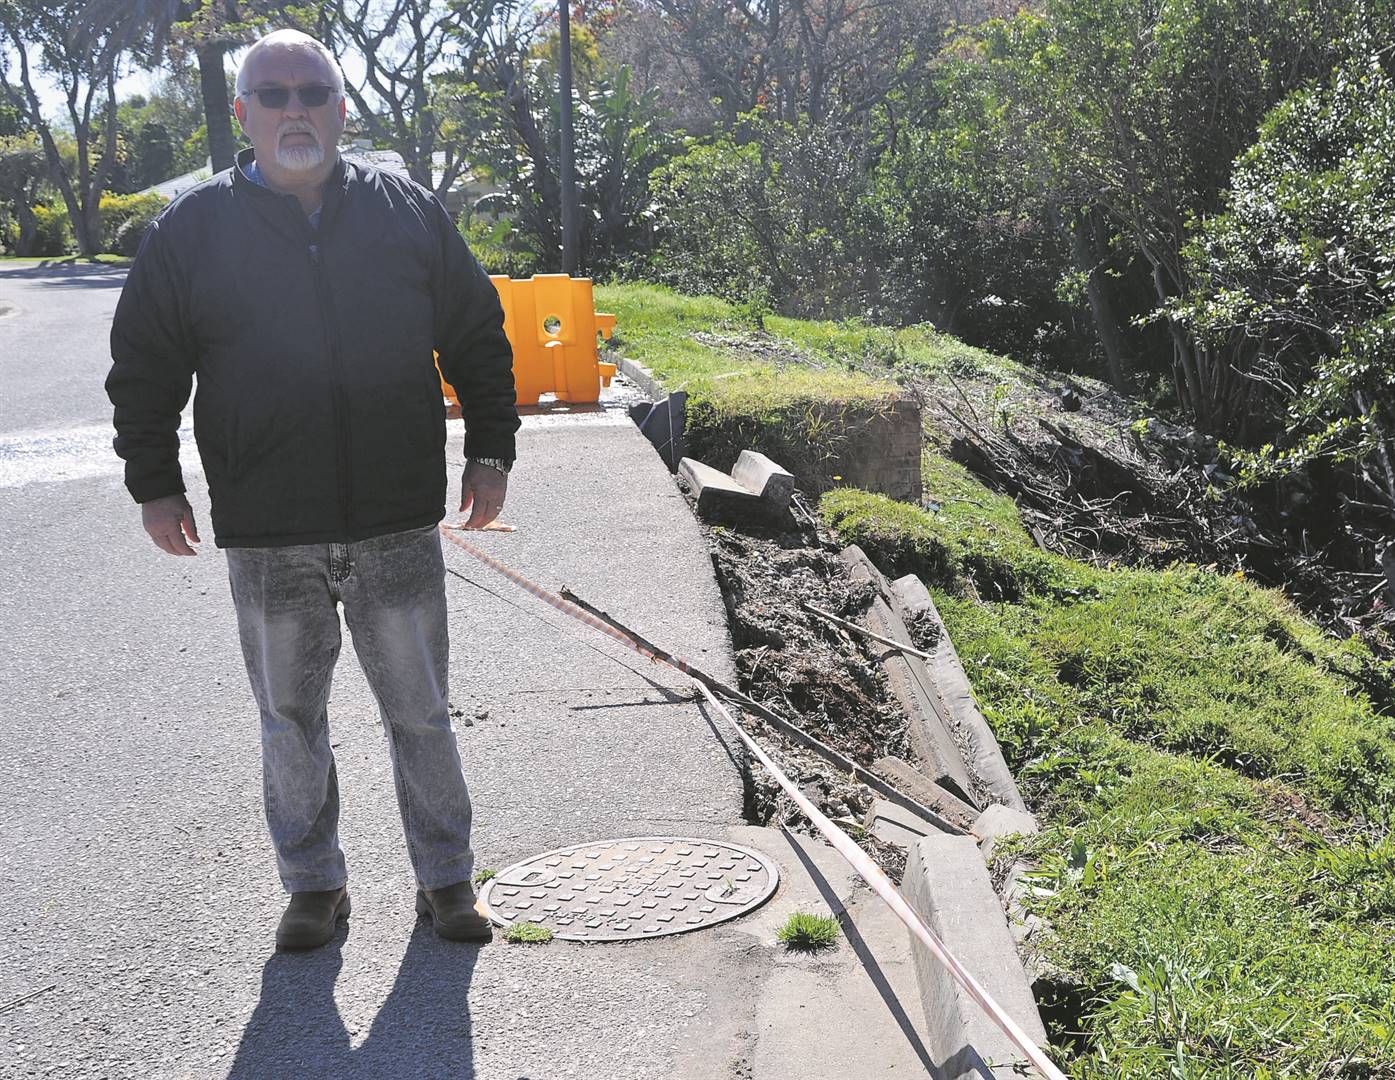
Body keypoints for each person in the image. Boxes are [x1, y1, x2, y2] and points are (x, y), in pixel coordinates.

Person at [106, 29, 519, 950]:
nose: (294, 109)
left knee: (419, 711)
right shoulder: (192, 231)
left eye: (311, 91)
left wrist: (492, 449)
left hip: (394, 522)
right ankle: (312, 887)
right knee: (289, 718)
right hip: (267, 526)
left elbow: (478, 336)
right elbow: (144, 365)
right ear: (244, 115)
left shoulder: (406, 213)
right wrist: (156, 482)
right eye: (274, 93)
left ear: (340, 109)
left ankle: (448, 880)